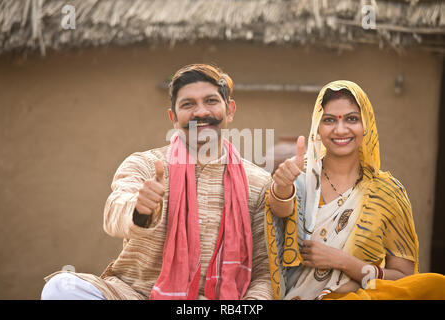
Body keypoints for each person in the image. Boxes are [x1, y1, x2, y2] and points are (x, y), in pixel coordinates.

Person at [41, 64, 273, 300]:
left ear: (230, 110)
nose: (201, 112)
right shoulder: (144, 164)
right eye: (188, 104)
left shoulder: (259, 182)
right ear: (173, 118)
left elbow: (264, 271)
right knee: (61, 288)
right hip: (134, 293)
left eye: (211, 101)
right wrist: (141, 208)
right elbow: (114, 213)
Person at [265, 80, 445, 300]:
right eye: (329, 120)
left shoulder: (388, 193)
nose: (341, 129)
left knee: (437, 284)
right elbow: (280, 211)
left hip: (360, 297)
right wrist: (282, 186)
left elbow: (404, 278)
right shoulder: (300, 179)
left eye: (352, 119)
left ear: (366, 124)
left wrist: (345, 262)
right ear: (318, 127)